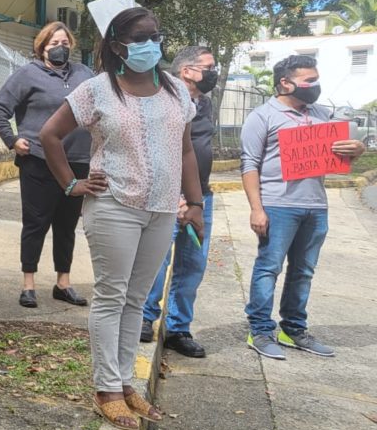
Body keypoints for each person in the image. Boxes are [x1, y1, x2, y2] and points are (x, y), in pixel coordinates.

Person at [39, 6, 204, 430]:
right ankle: (107, 389)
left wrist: (196, 202)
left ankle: (127, 382)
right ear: (117, 47)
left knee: (138, 298)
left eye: (156, 35)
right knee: (112, 297)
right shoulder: (98, 90)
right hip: (114, 205)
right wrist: (70, 185)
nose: (152, 45)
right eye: (141, 38)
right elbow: (49, 135)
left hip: (163, 208)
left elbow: (185, 150)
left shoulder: (175, 90)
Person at [241, 55, 365, 359]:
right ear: (285, 83)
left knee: (304, 271)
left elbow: (342, 155)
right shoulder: (263, 116)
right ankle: (259, 330)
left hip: (315, 206)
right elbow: (249, 164)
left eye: (316, 79)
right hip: (277, 206)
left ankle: (293, 329)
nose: (315, 85)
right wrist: (257, 208)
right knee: (268, 268)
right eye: (309, 80)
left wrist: (357, 149)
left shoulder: (321, 114)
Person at [0, 21, 94, 309]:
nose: (59, 48)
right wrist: (12, 140)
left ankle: (63, 282)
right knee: (36, 223)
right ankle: (28, 284)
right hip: (38, 159)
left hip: (76, 161)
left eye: (64, 43)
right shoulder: (27, 74)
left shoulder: (84, 74)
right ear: (41, 47)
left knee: (67, 224)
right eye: (53, 44)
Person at [139, 46, 220, 358]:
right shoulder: (163, 99)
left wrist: (196, 199)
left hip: (201, 197)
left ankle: (178, 329)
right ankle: (145, 318)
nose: (214, 72)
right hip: (166, 195)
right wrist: (178, 196)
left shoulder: (205, 103)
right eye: (209, 66)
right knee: (156, 260)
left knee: (192, 265)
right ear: (187, 71)